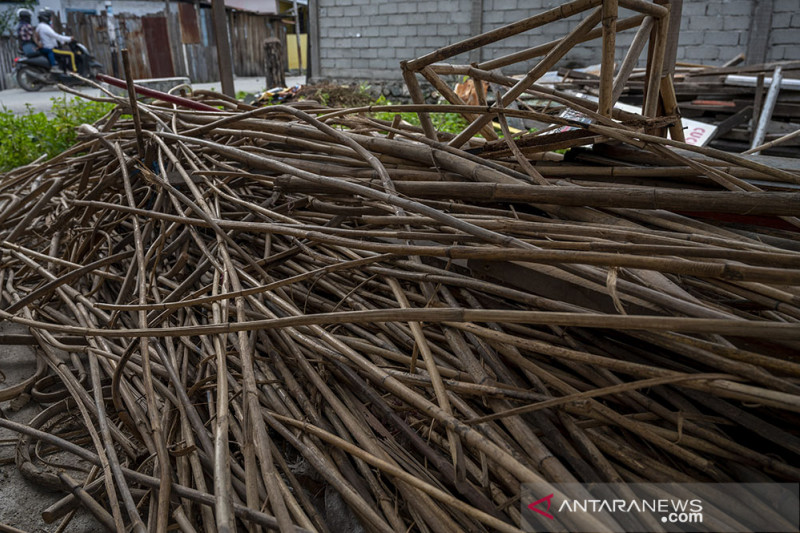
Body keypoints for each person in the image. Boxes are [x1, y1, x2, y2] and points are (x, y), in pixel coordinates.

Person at [35, 8, 76, 72]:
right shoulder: (45, 27)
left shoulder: (40, 26)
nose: (51, 19)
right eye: (50, 17)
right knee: (71, 54)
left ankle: (65, 70)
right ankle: (74, 72)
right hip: (50, 48)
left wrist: (63, 42)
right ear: (46, 18)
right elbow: (56, 36)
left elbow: (52, 38)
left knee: (63, 56)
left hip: (49, 47)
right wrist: (69, 39)